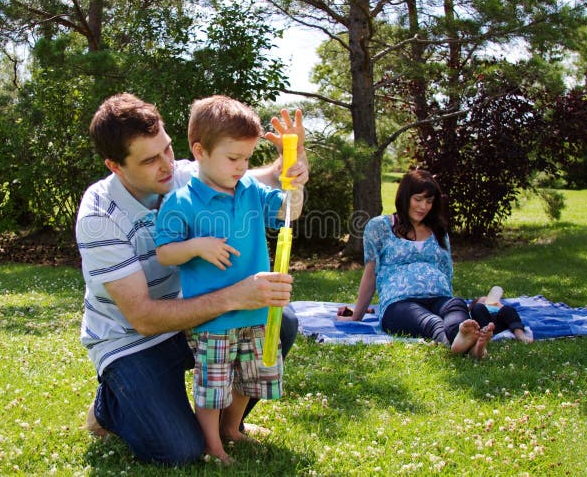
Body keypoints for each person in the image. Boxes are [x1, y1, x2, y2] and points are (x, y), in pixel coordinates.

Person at [76, 93, 308, 466]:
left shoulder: (185, 173)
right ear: (115, 166)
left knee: (281, 323)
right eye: (150, 160)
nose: (167, 164)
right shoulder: (100, 215)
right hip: (132, 339)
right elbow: (144, 318)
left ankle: (226, 428)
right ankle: (112, 403)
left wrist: (295, 156)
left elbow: (268, 177)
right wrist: (235, 296)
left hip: (194, 322)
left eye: (167, 149)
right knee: (179, 450)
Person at [154, 96, 306, 463]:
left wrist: (295, 178)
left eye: (247, 159)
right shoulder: (181, 201)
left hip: (256, 312)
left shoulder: (251, 191)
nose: (242, 167)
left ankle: (232, 427)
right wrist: (196, 245)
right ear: (200, 151)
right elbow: (164, 252)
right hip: (214, 320)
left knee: (248, 380)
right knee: (213, 387)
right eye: (233, 158)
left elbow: (288, 211)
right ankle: (213, 444)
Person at [336, 169, 494, 359]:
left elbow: (445, 270)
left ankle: (465, 339)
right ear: (405, 197)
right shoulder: (380, 227)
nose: (423, 206)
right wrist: (356, 316)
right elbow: (370, 274)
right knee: (432, 322)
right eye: (418, 199)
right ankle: (464, 346)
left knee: (456, 307)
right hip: (400, 303)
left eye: (429, 201)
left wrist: (449, 299)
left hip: (438, 297)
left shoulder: (438, 230)